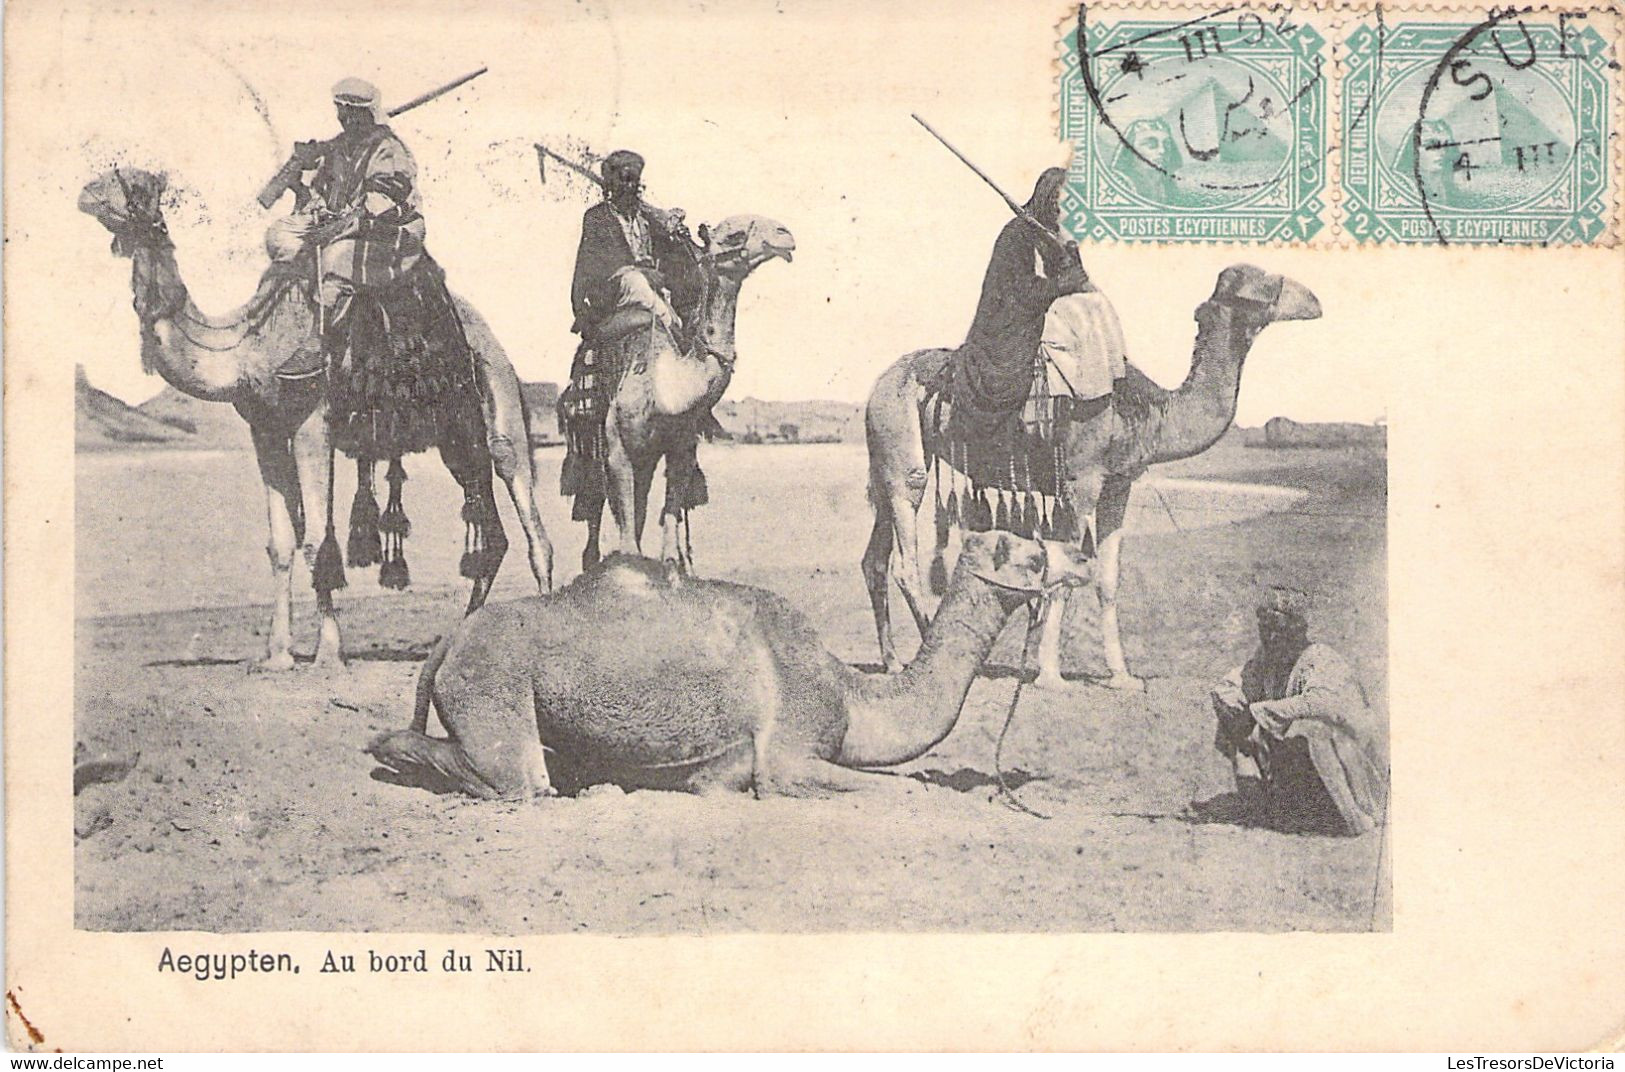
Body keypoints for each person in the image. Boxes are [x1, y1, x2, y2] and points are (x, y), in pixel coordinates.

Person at [1210, 587, 1388, 836]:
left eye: (1278, 630)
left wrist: (1259, 711)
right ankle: (1261, 810)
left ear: (1296, 631)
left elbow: (1319, 703)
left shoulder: (1322, 660)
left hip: (1355, 769)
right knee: (1235, 717)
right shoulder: (1268, 661)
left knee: (1310, 728)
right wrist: (1235, 707)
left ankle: (1356, 817)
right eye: (1265, 630)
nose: (1271, 638)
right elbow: (1232, 685)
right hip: (1305, 769)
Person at [568, 149, 695, 346]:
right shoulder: (597, 218)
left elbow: (667, 251)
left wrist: (675, 231)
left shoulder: (645, 217)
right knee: (636, 282)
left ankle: (679, 327)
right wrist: (642, 271)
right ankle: (679, 339)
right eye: (625, 179)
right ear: (611, 183)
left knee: (674, 308)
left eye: (634, 180)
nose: (630, 186)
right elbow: (598, 265)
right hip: (612, 292)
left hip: (647, 289)